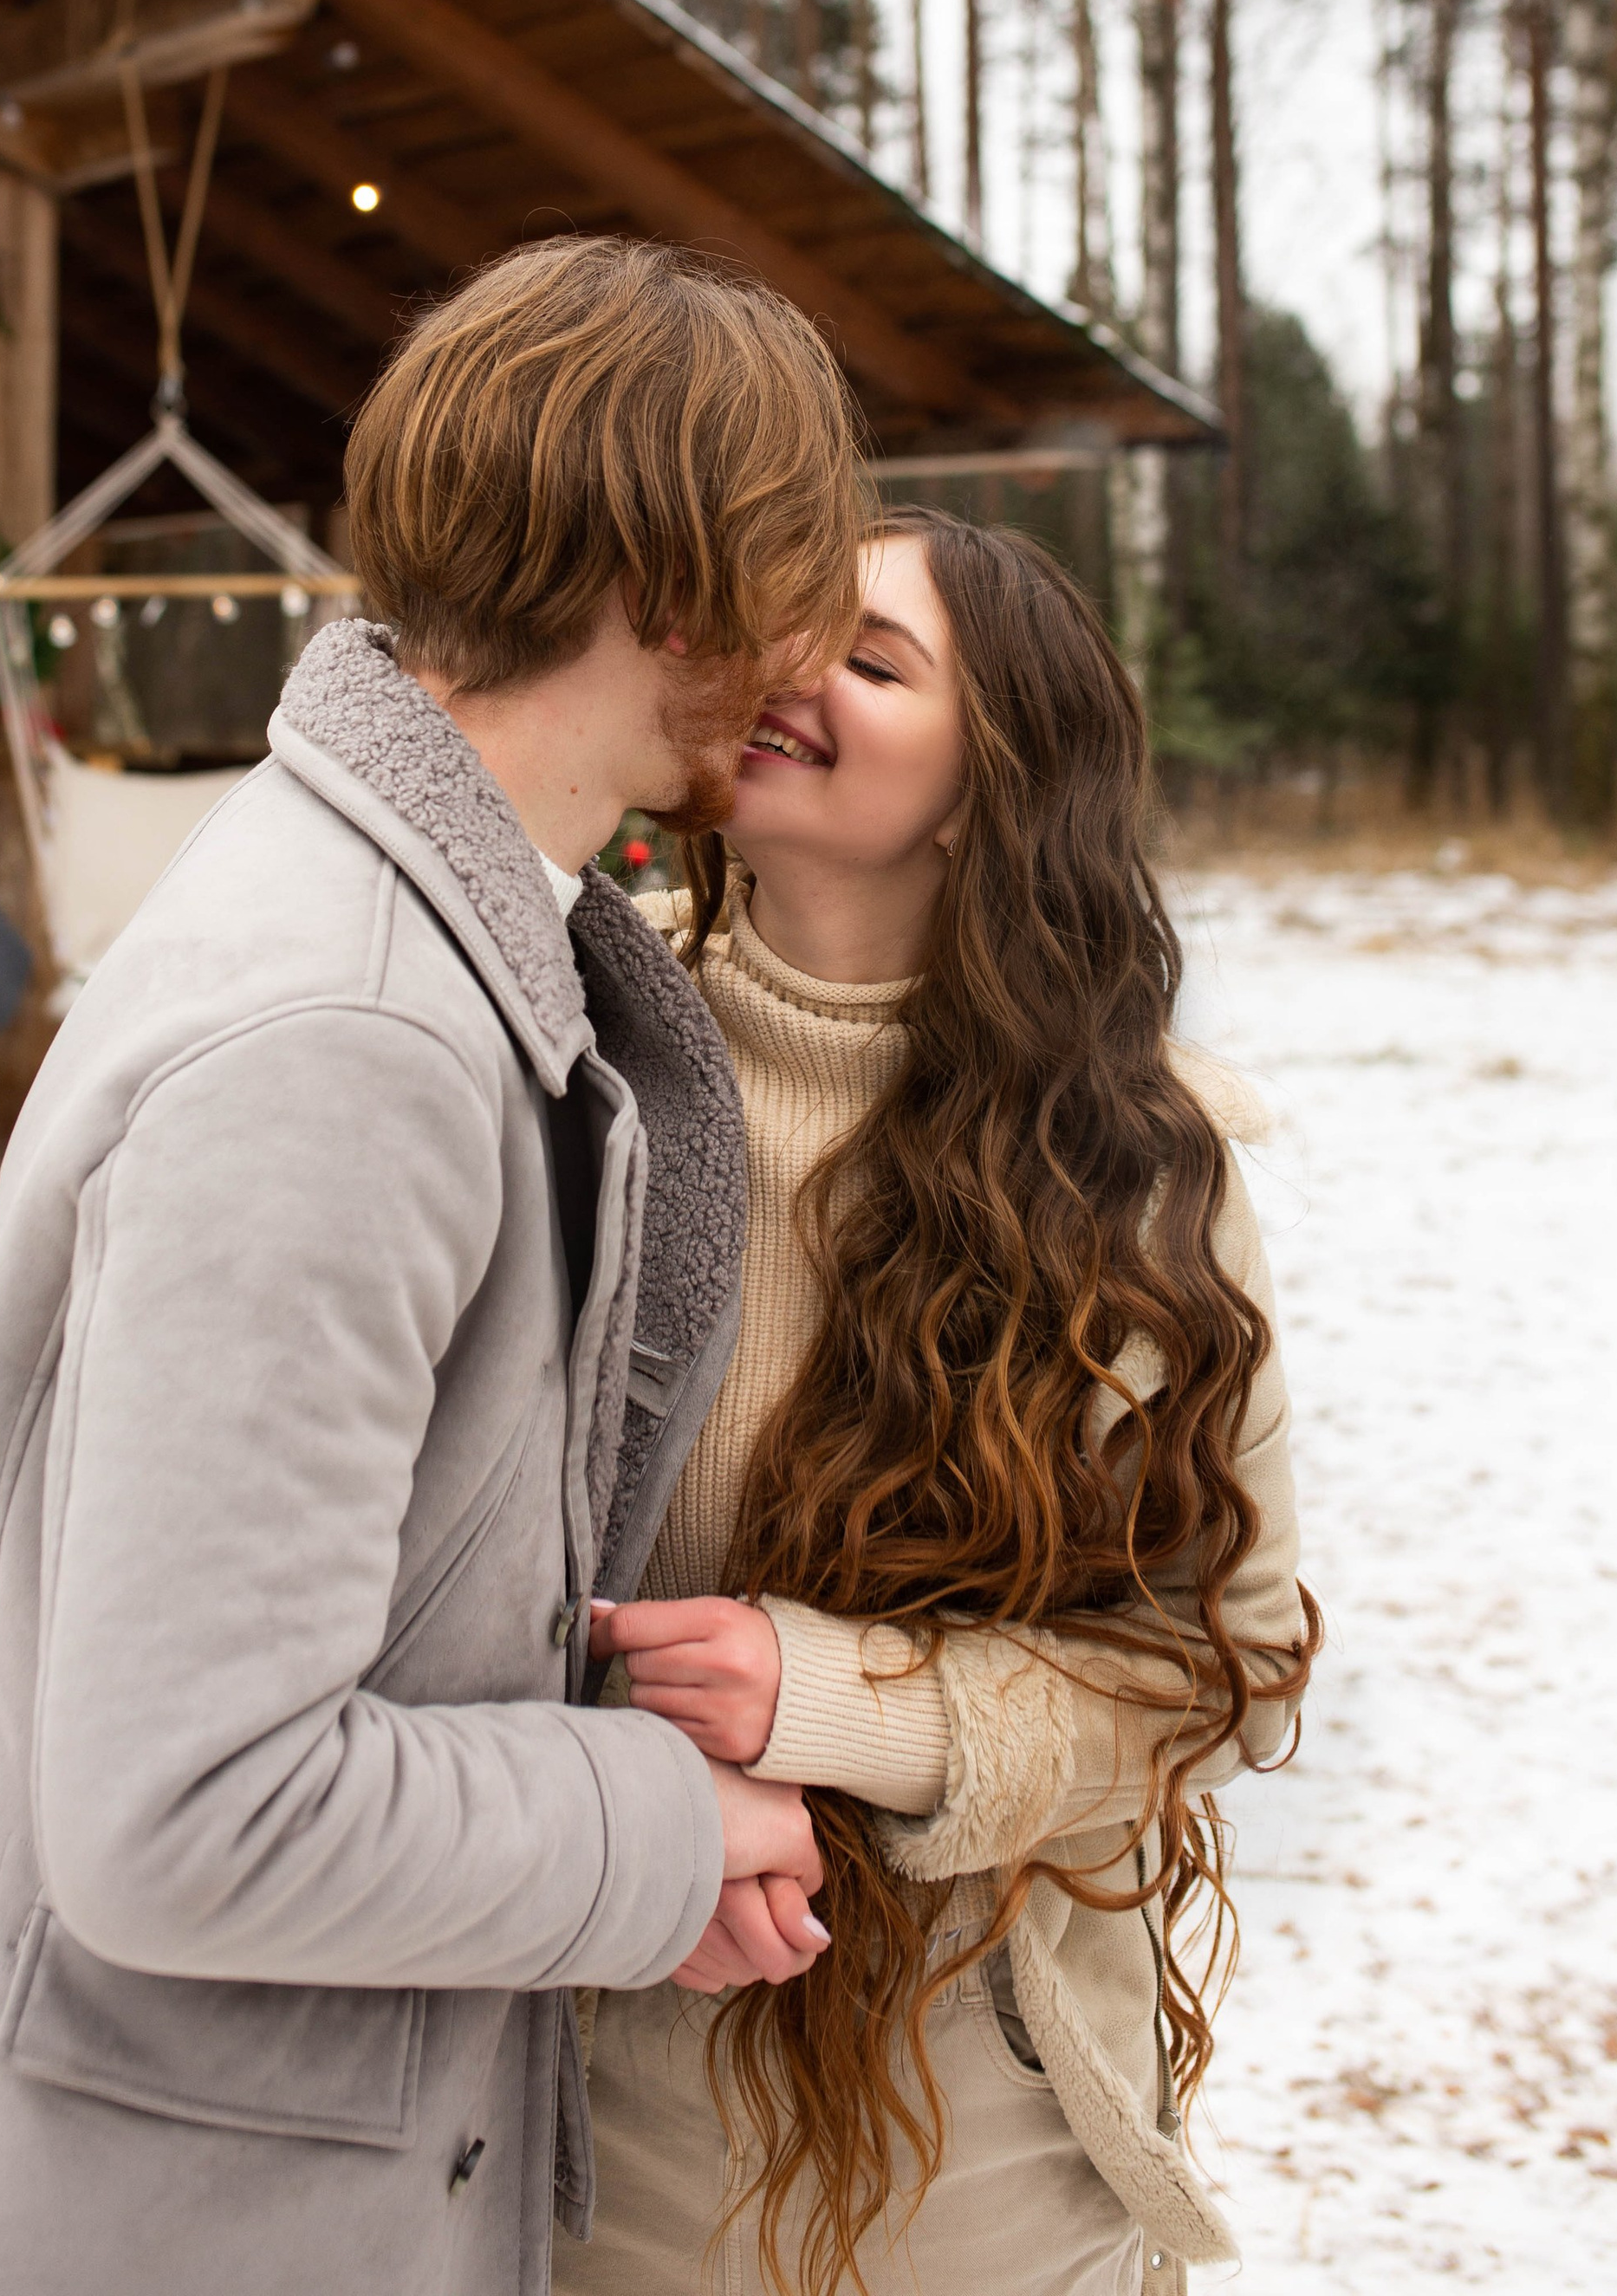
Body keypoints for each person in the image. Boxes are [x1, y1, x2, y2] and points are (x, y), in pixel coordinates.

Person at [0, 237, 867, 2296]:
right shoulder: (349, 1042)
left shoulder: (395, 933)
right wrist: (655, 1825)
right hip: (134, 2227)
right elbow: (191, 1809)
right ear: (673, 581)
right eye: (796, 576)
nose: (809, 655)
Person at [569, 512, 1318, 2296]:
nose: (790, 668)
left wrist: (845, 1703)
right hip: (569, 2135)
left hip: (971, 2171)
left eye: (872, 658)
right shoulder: (570, 1053)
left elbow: (1223, 1667)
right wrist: (621, 1816)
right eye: (786, 624)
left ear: (988, 790)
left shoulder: (1134, 1168)